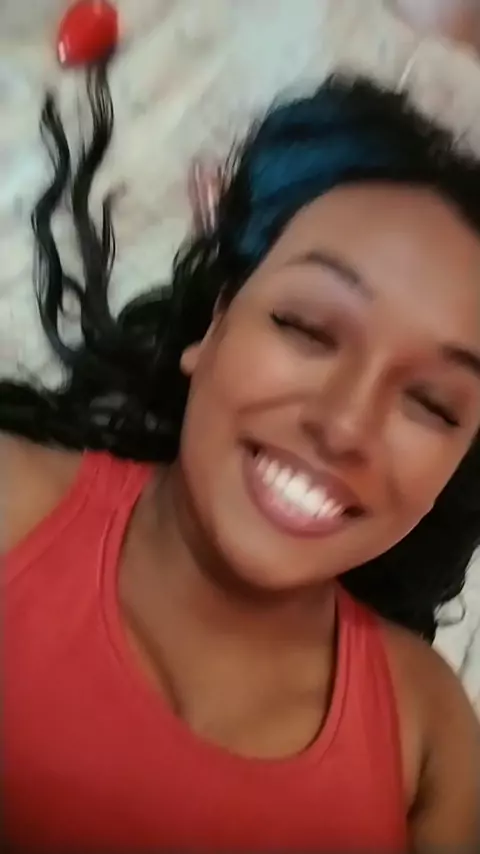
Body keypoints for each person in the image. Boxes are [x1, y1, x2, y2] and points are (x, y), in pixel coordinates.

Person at [3, 70, 480, 853]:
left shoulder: (432, 738)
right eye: (308, 328)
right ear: (217, 323)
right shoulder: (10, 504)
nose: (345, 425)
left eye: (431, 403)